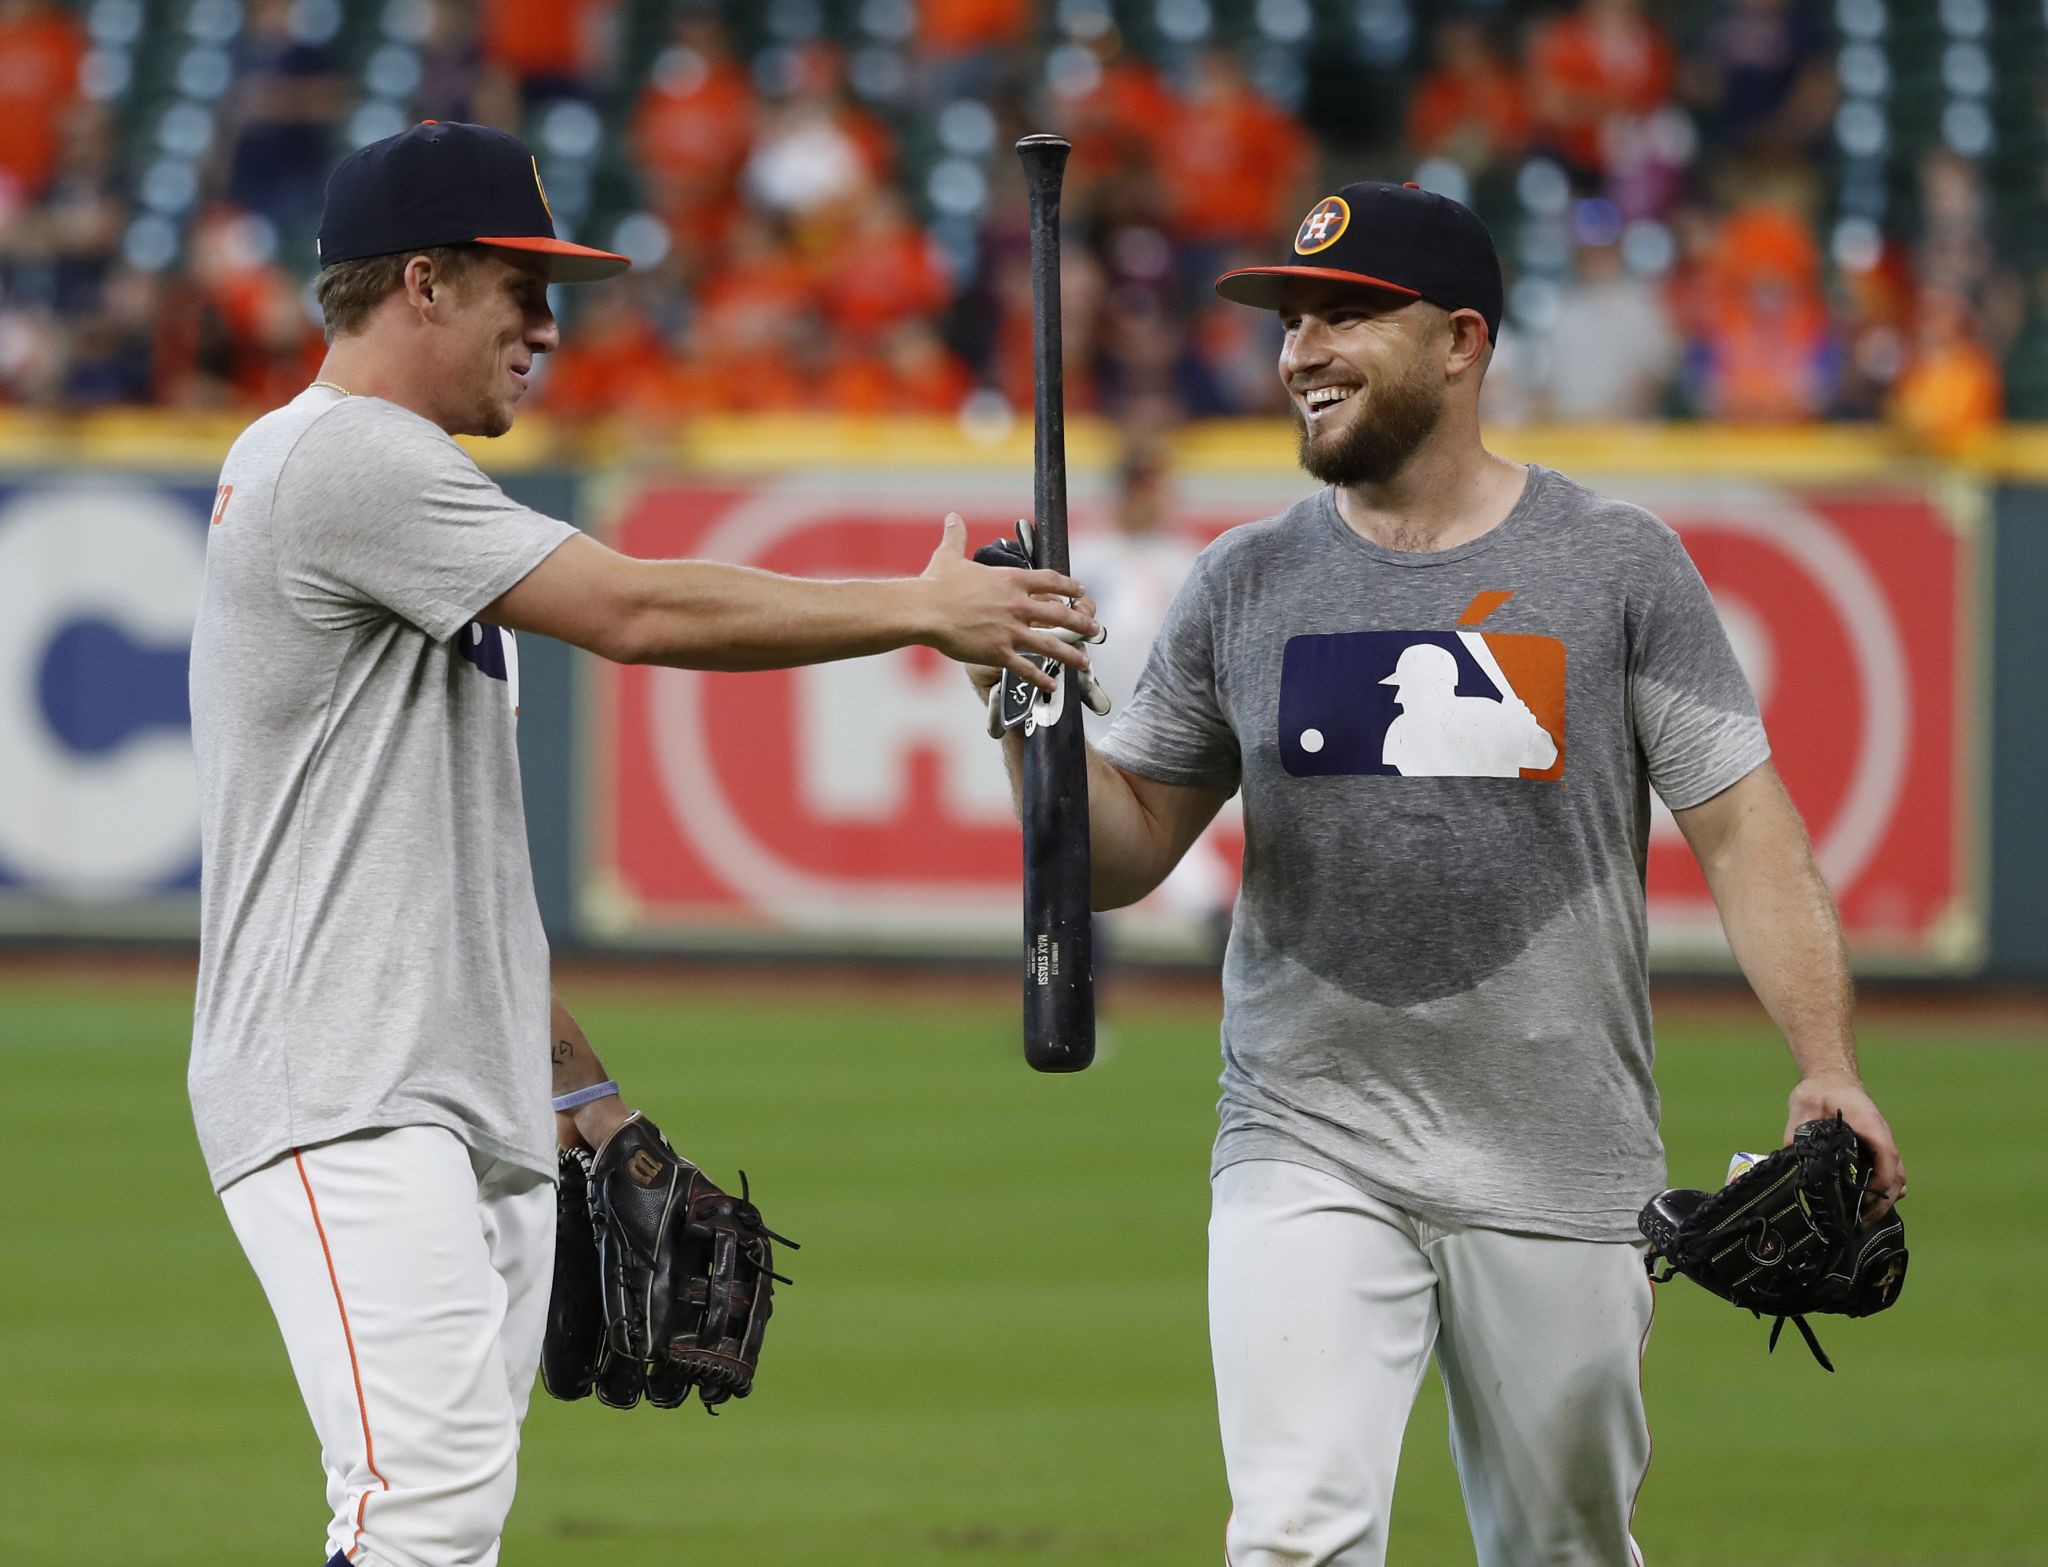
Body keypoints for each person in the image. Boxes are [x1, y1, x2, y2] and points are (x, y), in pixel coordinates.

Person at [187, 120, 1096, 1567]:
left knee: (447, 1517)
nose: (549, 325)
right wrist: (923, 611)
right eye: (519, 288)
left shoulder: (393, 485)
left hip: (442, 1083)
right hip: (343, 1085)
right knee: (411, 1510)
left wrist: (582, 1090)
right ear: (420, 283)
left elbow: (437, 871)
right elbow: (641, 612)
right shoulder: (341, 458)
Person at [965, 181, 1906, 1566]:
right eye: (1294, 321)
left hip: (1559, 1153)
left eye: (1348, 316)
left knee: (1562, 1547)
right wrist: (1028, 707)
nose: (1303, 350)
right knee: (1294, 1537)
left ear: (1462, 343)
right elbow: (1122, 851)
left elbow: (1745, 829)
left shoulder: (1615, 564)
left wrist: (1828, 1061)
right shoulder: (1245, 581)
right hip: (1305, 1137)